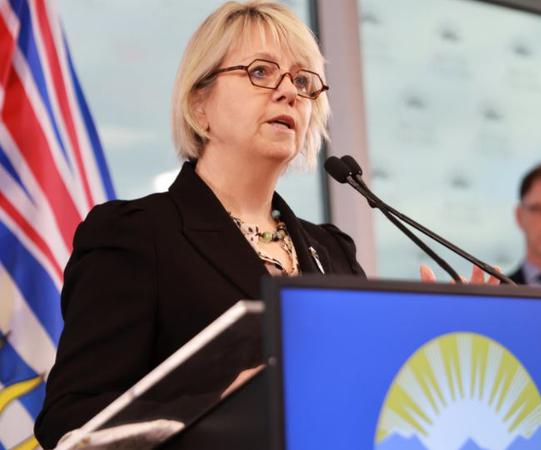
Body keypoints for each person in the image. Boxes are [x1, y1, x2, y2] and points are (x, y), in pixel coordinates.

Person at [34, 2, 366, 447]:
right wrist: (211, 409)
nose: (289, 92)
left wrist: (442, 328)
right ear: (199, 103)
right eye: (261, 72)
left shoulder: (333, 251)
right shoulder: (136, 235)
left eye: (303, 81)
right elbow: (70, 420)